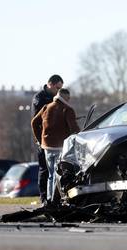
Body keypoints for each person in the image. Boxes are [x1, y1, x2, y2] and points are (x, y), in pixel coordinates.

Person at [31, 88, 80, 206]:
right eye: (68, 98)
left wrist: (39, 139)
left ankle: (48, 199)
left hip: (47, 146)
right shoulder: (67, 109)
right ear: (65, 97)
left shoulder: (46, 107)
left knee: (51, 174)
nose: (69, 100)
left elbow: (34, 122)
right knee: (58, 174)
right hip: (60, 147)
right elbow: (74, 129)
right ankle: (54, 200)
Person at [31, 75, 64, 205]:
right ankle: (44, 198)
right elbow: (38, 121)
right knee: (45, 170)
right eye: (57, 88)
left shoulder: (56, 97)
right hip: (43, 140)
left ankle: (55, 198)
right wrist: (39, 141)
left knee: (56, 170)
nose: (58, 91)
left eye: (60, 88)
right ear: (50, 84)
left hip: (56, 140)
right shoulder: (39, 98)